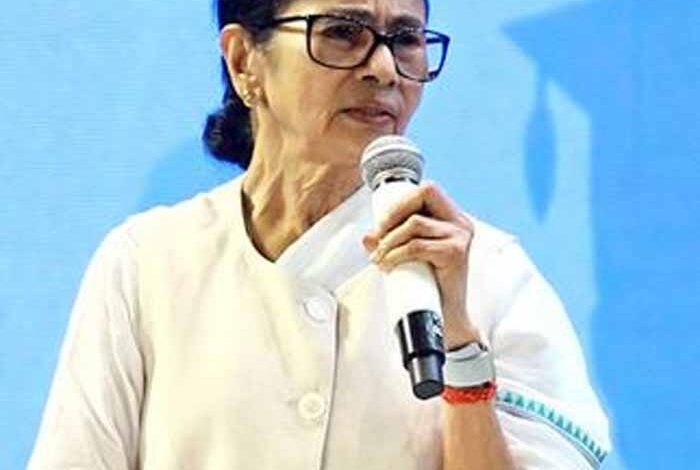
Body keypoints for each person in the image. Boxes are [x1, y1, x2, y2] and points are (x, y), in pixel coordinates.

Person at [28, 0, 611, 468]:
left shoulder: (491, 274)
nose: (383, 68)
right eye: (342, 33)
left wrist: (459, 347)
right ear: (244, 62)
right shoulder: (148, 261)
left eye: (405, 39)